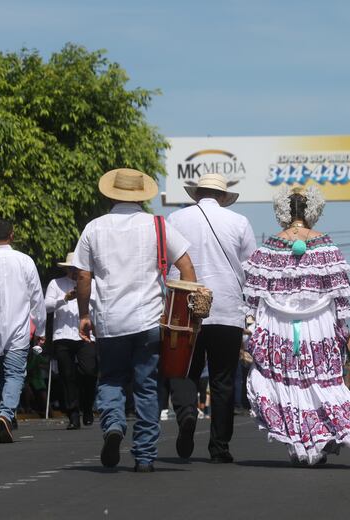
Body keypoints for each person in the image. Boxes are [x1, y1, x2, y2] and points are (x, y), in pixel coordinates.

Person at [244, 185, 350, 465]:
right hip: (318, 328)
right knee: (319, 381)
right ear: (312, 210)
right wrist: (342, 332)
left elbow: (253, 297)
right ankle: (323, 434)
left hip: (278, 329)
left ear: (283, 210)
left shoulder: (270, 246)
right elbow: (341, 297)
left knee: (288, 384)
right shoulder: (325, 246)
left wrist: (253, 332)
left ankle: (299, 445)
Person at [73, 168, 196, 473]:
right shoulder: (157, 225)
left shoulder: (94, 228)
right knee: (146, 386)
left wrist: (84, 314)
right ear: (141, 196)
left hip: (110, 320)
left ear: (111, 194)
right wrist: (185, 309)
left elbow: (83, 276)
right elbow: (186, 267)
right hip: (149, 320)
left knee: (111, 379)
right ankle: (144, 456)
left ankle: (114, 426)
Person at [163, 173, 256, 462]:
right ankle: (219, 446)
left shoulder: (176, 219)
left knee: (184, 371)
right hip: (227, 310)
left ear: (197, 193)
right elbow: (251, 268)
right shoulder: (239, 222)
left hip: (184, 308)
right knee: (223, 379)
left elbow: (166, 263)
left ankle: (188, 412)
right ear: (224, 197)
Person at [0, 218, 46, 443]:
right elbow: (37, 297)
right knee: (15, 374)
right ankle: (6, 414)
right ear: (12, 235)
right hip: (18, 329)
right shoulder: (24, 261)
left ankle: (3, 413)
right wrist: (41, 329)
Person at [45, 252, 97, 430]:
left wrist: (85, 295)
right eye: (71, 269)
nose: (74, 271)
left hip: (85, 335)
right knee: (67, 376)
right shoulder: (56, 284)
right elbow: (46, 306)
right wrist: (65, 298)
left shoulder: (92, 284)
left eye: (77, 268)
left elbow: (99, 304)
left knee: (89, 372)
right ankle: (73, 414)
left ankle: (87, 406)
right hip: (63, 335)